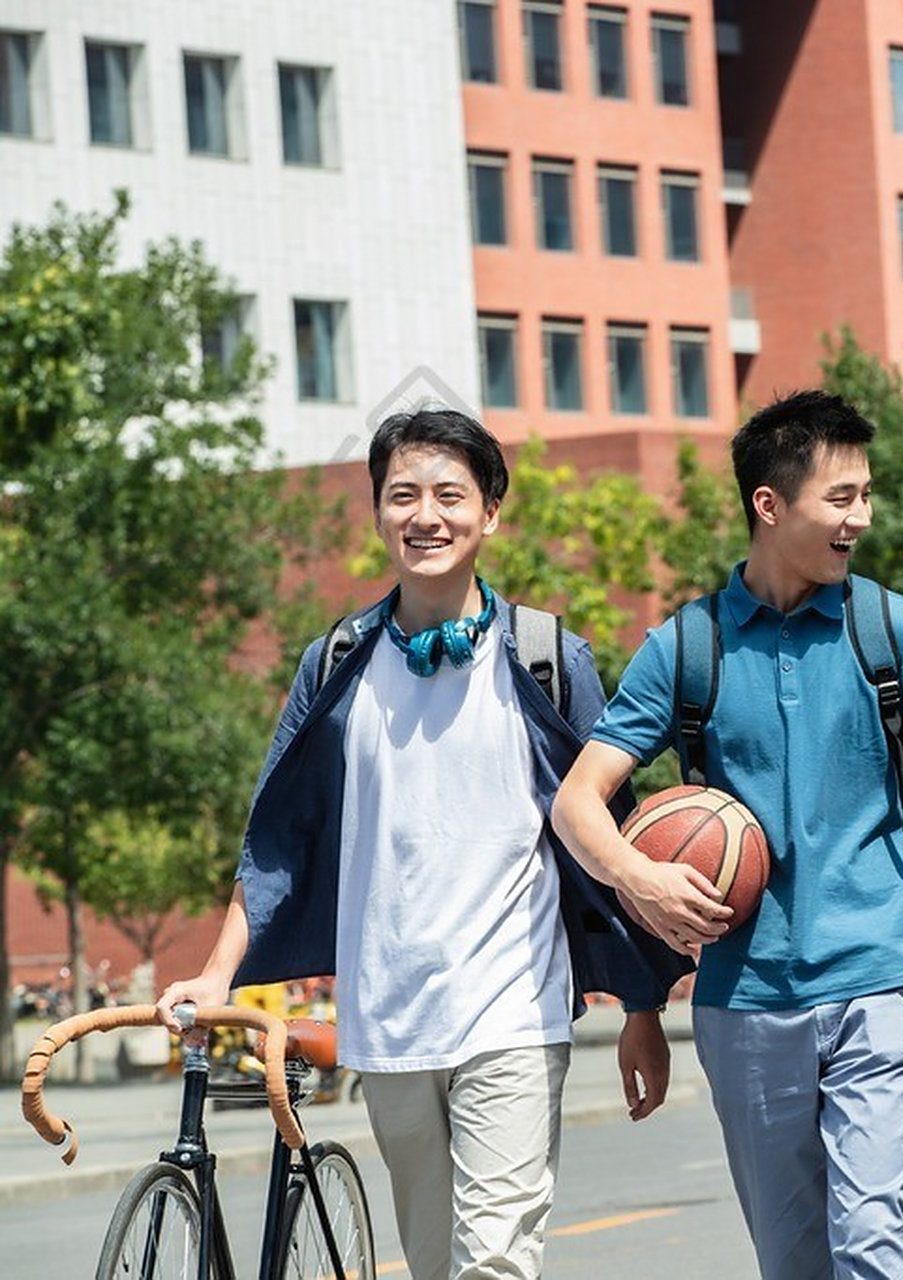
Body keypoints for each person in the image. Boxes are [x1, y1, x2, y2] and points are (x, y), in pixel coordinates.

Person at [160, 408, 686, 1280]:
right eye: (402, 495)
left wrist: (642, 1009)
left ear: (491, 513)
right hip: (389, 1017)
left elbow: (613, 840)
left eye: (449, 494)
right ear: (377, 513)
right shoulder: (334, 664)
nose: (425, 516)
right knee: (436, 1264)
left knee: (495, 1263)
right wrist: (218, 972)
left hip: (514, 1010)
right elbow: (278, 837)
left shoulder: (549, 656)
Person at [551, 389, 903, 1280]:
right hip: (743, 996)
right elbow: (576, 803)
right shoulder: (688, 645)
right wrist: (641, 880)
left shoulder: (895, 632)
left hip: (880, 975)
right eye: (842, 498)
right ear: (770, 503)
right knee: (792, 1258)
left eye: (866, 495)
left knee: (872, 1237)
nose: (860, 518)